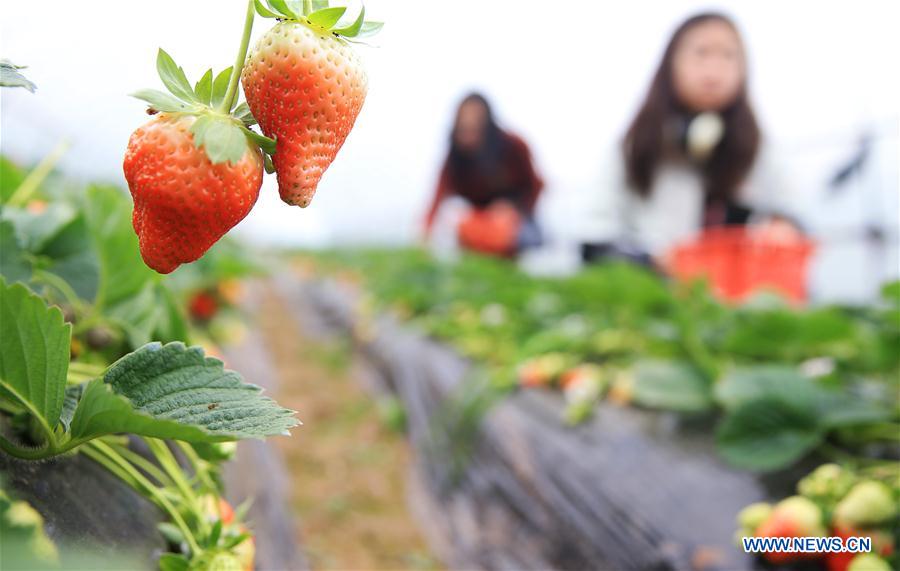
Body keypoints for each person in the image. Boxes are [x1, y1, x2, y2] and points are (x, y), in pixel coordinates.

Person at [580, 12, 800, 265]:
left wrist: (783, 228)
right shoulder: (634, 146)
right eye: (701, 53)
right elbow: (594, 234)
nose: (713, 69)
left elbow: (791, 212)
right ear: (671, 63)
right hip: (657, 293)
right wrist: (651, 261)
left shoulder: (760, 150)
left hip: (737, 294)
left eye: (728, 55)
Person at [423, 93, 544, 257]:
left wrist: (515, 209)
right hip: (478, 222)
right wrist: (425, 232)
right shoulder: (455, 157)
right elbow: (438, 195)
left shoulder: (513, 146)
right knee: (459, 225)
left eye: (475, 122)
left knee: (523, 238)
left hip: (513, 219)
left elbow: (536, 185)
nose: (469, 125)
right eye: (464, 123)